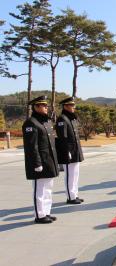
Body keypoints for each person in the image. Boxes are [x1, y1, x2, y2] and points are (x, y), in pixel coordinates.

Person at [22, 95, 59, 224]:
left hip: (49, 161)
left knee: (48, 188)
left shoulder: (46, 122)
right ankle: (39, 215)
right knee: (40, 190)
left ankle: (47, 212)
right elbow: (32, 147)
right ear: (36, 107)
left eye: (46, 105)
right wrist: (37, 163)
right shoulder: (31, 123)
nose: (46, 107)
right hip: (40, 162)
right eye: (43, 105)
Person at [56, 97, 84, 204]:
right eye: (71, 105)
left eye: (73, 105)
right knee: (70, 175)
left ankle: (74, 194)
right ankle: (70, 197)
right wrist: (66, 151)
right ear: (65, 106)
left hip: (75, 150)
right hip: (69, 152)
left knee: (75, 174)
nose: (74, 107)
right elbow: (62, 137)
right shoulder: (62, 119)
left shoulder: (71, 118)